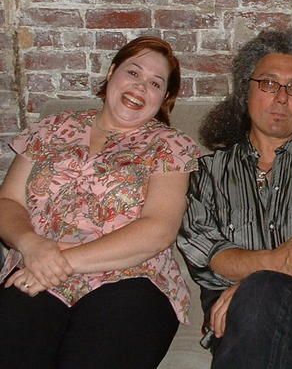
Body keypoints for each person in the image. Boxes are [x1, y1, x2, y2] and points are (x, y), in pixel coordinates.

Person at [0, 36, 201, 369]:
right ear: (111, 73)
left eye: (155, 83)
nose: (140, 87)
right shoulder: (52, 128)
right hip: (36, 268)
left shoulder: (170, 146)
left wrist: (59, 262)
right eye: (133, 72)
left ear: (165, 98)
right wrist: (30, 244)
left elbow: (158, 231)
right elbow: (7, 201)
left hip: (132, 280)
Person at [177, 29, 292, 369]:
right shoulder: (206, 174)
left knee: (260, 292)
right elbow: (209, 256)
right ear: (245, 91)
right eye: (269, 84)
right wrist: (278, 262)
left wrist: (255, 283)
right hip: (238, 326)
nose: (281, 98)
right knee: (258, 301)